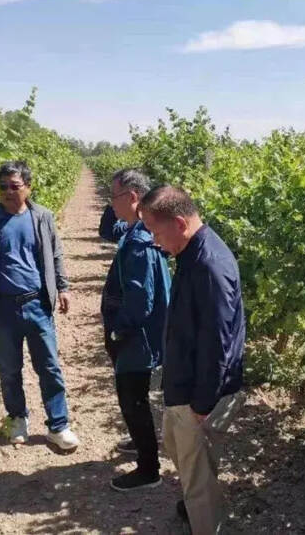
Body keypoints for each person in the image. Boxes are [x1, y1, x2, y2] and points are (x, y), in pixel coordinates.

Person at [140, 185, 246, 535]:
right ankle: (196, 510)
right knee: (180, 452)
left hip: (200, 395)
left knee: (198, 478)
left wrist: (203, 402)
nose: (155, 241)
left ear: (180, 223)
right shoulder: (191, 253)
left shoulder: (208, 266)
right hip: (185, 386)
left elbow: (218, 342)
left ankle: (205, 526)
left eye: (156, 231)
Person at [0, 160, 80, 451]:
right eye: (2, 186)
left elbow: (55, 254)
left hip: (37, 304)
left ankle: (58, 425)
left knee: (49, 367)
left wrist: (63, 287)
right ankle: (17, 418)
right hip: (1, 308)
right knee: (9, 369)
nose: (7, 192)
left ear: (28, 187)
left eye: (14, 186)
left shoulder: (42, 217)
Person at [101, 169, 171, 492]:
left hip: (136, 339)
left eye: (113, 197)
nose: (110, 203)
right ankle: (141, 443)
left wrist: (118, 331)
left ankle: (148, 469)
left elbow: (141, 301)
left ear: (131, 198)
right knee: (135, 397)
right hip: (136, 336)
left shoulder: (141, 242)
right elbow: (107, 227)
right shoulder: (137, 230)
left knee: (133, 399)